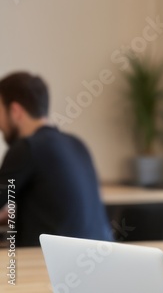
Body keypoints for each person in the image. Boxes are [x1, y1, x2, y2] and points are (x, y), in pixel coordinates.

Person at [0, 71, 112, 247]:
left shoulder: (27, 148)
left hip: (51, 265)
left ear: (15, 110)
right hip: (100, 261)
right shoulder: (77, 144)